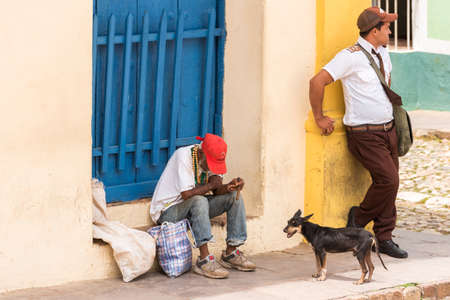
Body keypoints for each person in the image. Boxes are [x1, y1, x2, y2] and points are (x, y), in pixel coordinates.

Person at [308, 7, 408, 258]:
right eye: (386, 26)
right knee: (389, 180)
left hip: (387, 130)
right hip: (364, 134)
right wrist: (319, 117)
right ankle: (359, 218)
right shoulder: (349, 56)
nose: (390, 30)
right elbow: (316, 81)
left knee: (390, 185)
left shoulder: (384, 54)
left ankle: (384, 236)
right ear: (374, 30)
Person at [150, 133, 256, 278]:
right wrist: (212, 184)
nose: (213, 168)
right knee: (199, 200)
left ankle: (231, 253)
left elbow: (217, 189)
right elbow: (187, 195)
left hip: (195, 209)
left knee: (233, 197)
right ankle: (204, 260)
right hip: (168, 211)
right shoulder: (183, 156)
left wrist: (229, 187)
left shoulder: (210, 157)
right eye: (211, 163)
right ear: (201, 153)